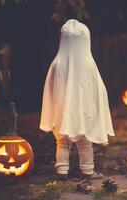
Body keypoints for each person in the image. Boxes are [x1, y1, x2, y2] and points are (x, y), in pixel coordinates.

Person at [39, 19, 115, 180]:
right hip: (83, 112)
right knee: (85, 141)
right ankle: (87, 170)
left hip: (63, 112)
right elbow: (98, 88)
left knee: (62, 141)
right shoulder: (89, 64)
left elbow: (50, 89)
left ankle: (62, 170)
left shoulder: (57, 63)